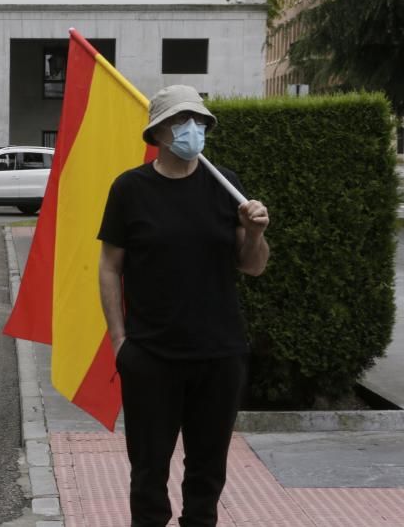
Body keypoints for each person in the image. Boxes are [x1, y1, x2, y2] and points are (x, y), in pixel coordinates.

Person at [97, 85, 270, 527]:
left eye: (198, 121)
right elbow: (109, 267)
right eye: (180, 121)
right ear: (157, 132)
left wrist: (254, 232)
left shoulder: (225, 185)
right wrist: (120, 341)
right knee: (148, 474)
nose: (192, 129)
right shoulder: (130, 189)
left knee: (207, 475)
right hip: (151, 356)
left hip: (219, 354)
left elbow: (253, 267)